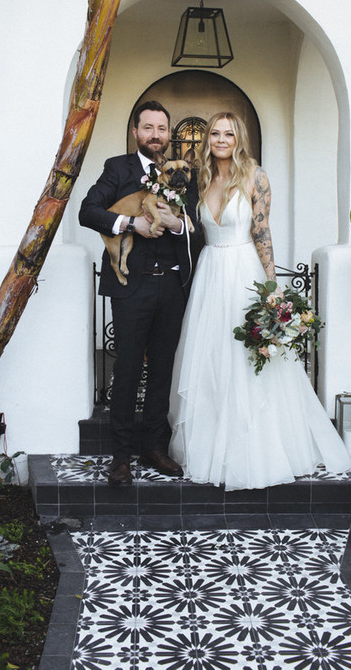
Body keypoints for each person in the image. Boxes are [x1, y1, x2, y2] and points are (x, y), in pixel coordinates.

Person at [169, 112, 351, 490]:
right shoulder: (201, 176)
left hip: (243, 270)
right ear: (209, 140)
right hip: (209, 274)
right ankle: (210, 445)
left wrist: (271, 287)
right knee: (212, 357)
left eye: (229, 134)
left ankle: (260, 448)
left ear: (239, 139)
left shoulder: (256, 176)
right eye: (216, 133)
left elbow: (262, 230)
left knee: (248, 356)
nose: (221, 140)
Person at [79, 100, 198, 486]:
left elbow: (197, 224)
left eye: (162, 129)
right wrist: (132, 222)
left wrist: (176, 226)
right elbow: (88, 211)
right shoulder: (119, 168)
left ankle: (154, 446)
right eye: (148, 128)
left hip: (173, 286)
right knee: (128, 369)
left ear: (169, 134)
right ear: (136, 132)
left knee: (163, 367)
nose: (156, 135)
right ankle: (121, 456)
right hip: (133, 286)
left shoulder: (182, 175)